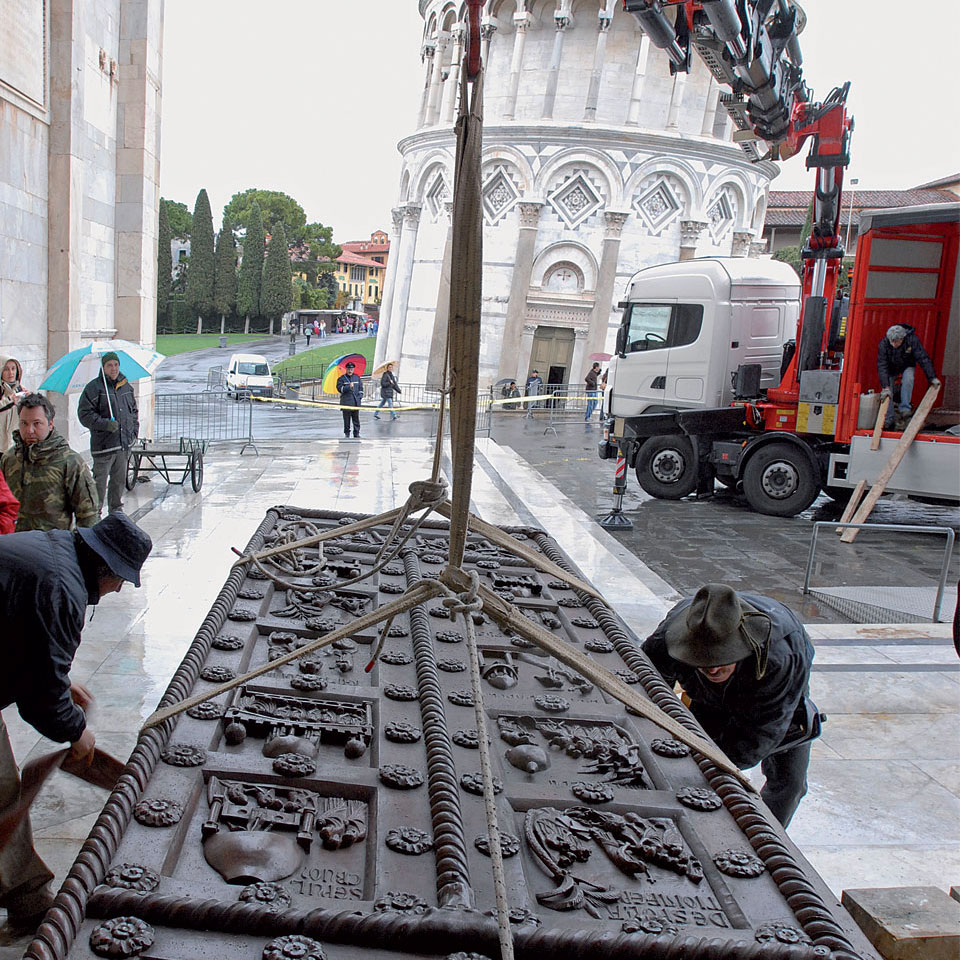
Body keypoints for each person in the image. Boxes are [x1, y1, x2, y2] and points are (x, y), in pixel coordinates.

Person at [0, 512, 152, 931]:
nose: (119, 588)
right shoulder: (61, 587)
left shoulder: (54, 551)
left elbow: (26, 640)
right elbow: (40, 701)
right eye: (121, 578)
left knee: (2, 791)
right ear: (106, 568)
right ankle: (27, 900)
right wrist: (75, 731)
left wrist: (60, 681)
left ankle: (28, 900)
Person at [642, 584, 815, 828]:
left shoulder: (781, 659)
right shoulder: (669, 636)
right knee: (695, 760)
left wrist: (711, 766)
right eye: (701, 659)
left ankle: (764, 839)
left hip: (773, 692)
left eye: (722, 658)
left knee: (790, 782)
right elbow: (643, 684)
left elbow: (757, 738)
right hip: (707, 697)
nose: (712, 668)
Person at [1, 393, 98, 532]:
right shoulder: (9, 459)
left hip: (53, 548)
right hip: (13, 547)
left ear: (50, 424)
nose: (30, 430)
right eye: (24, 423)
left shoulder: (70, 462)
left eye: (37, 423)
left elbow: (88, 517)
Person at [77, 352, 139, 517]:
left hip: (123, 445)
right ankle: (94, 513)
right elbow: (85, 414)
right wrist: (105, 424)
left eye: (116, 365)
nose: (114, 368)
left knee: (118, 482)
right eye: (109, 365)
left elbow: (133, 411)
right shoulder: (94, 388)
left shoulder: (126, 386)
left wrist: (133, 432)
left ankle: (116, 512)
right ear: (103, 367)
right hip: (104, 446)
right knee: (99, 483)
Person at [877, 324, 940, 430]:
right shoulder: (884, 344)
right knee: (887, 392)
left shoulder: (912, 340)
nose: (893, 344)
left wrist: (932, 378)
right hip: (890, 368)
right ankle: (888, 418)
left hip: (907, 364)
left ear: (903, 338)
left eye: (896, 341)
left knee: (909, 378)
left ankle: (905, 409)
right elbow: (882, 365)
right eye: (892, 341)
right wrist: (885, 387)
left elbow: (923, 358)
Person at [1, 355, 27, 453]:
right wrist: (10, 400)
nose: (11, 373)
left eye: (13, 369)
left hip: (15, 441)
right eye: (6, 369)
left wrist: (29, 398)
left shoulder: (20, 389)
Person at [337, 361, 363, 439]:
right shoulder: (341, 379)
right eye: (348, 369)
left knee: (356, 420)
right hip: (346, 403)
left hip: (355, 403)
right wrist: (348, 387)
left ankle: (356, 433)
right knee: (347, 420)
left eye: (351, 369)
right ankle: (347, 433)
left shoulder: (357, 378)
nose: (350, 370)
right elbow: (340, 389)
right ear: (346, 369)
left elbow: (361, 388)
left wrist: (360, 397)